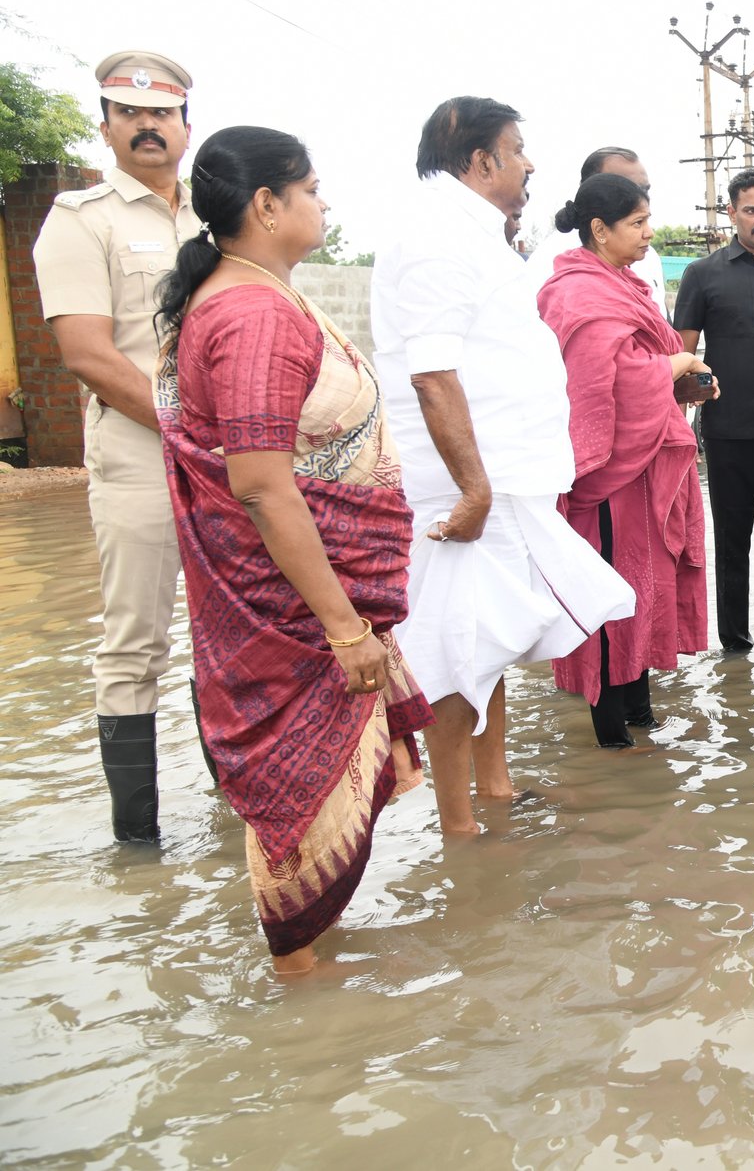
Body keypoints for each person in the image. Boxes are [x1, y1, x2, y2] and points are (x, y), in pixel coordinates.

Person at [153, 126, 430, 975]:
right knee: (292, 796)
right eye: (311, 189)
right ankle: (301, 1001)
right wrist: (344, 628)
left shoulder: (258, 297)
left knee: (307, 796)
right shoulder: (250, 314)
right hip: (287, 605)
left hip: (294, 588)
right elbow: (264, 486)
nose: (324, 202)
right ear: (267, 206)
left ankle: (313, 997)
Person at [372, 96, 633, 832]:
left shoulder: (475, 234)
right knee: (457, 651)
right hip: (466, 490)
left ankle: (497, 788)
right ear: (481, 161)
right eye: (518, 150)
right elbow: (432, 373)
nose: (529, 164)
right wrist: (474, 487)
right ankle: (459, 824)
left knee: (485, 643)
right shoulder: (436, 237)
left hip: (502, 482)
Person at [31, 51, 204, 843]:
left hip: (234, 464)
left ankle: (243, 818)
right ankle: (139, 845)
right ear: (104, 127)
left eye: (160, 113)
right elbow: (88, 355)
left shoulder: (222, 213)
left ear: (185, 126)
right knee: (136, 642)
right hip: (141, 455)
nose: (146, 126)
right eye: (128, 113)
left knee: (227, 635)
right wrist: (194, 434)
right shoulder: (81, 219)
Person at [538, 173, 713, 745]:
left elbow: (648, 362)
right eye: (637, 223)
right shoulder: (578, 292)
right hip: (608, 471)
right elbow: (602, 381)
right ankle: (610, 734)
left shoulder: (624, 284)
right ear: (599, 229)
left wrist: (686, 377)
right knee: (610, 593)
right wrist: (679, 366)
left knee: (646, 587)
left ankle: (639, 711)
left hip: (646, 464)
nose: (648, 233)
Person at [674, 168, 754, 655]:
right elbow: (678, 355)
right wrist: (694, 392)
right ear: (732, 213)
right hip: (725, 433)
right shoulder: (702, 275)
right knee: (732, 544)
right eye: (752, 210)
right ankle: (734, 647)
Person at [528, 147, 669, 308]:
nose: (639, 197)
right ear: (591, 188)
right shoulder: (550, 260)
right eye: (625, 187)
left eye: (644, 190)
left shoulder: (648, 256)